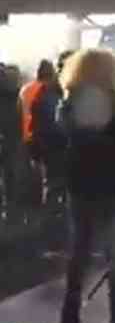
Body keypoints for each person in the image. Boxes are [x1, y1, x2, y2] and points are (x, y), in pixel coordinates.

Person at [55, 50, 115, 323]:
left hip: (79, 181)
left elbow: (63, 133)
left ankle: (70, 316)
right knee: (114, 249)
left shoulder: (71, 99)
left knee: (79, 248)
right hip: (111, 180)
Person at [19, 59, 67, 217]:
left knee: (31, 175)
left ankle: (31, 209)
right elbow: (53, 120)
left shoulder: (26, 89)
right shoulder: (48, 92)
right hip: (44, 138)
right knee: (50, 178)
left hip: (25, 137)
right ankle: (47, 215)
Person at [0, 64, 21, 222]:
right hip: (9, 136)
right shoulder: (13, 92)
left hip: (7, 136)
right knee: (9, 174)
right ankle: (10, 208)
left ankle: (9, 208)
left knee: (8, 173)